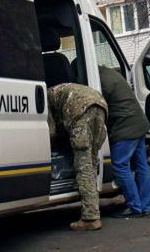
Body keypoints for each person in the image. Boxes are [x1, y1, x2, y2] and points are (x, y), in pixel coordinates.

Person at [47, 82, 108, 231]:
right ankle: (94, 210)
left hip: (81, 111)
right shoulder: (63, 90)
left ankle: (91, 218)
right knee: (92, 165)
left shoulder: (46, 97)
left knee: (84, 167)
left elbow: (52, 131)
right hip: (100, 105)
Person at [98, 66, 150, 219]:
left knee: (119, 165)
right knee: (141, 165)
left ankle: (134, 206)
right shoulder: (110, 73)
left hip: (125, 128)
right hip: (139, 124)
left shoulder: (100, 82)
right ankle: (145, 206)